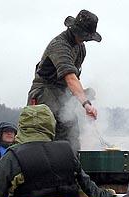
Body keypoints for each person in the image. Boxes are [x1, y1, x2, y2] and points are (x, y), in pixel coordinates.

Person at [0, 104, 115, 197]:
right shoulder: (67, 153)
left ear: (22, 127)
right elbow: (93, 195)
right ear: (51, 125)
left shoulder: (11, 159)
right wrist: (109, 194)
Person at [27, 10, 101, 152]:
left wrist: (82, 93)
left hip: (63, 94)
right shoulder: (59, 45)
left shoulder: (81, 48)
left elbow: (74, 79)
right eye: (84, 36)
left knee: (71, 135)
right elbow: (70, 77)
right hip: (44, 92)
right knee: (42, 136)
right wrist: (85, 103)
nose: (85, 40)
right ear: (75, 30)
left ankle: (71, 169)